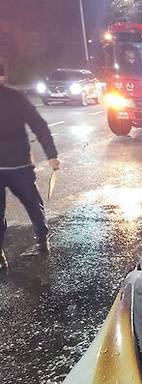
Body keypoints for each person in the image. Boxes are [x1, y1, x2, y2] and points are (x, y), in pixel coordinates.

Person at [0, 84, 60, 273]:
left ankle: (41, 238)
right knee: (32, 204)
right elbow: (39, 125)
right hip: (19, 165)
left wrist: (51, 154)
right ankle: (41, 240)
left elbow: (38, 125)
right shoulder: (16, 96)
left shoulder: (15, 97)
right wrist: (51, 155)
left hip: (19, 165)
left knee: (32, 204)